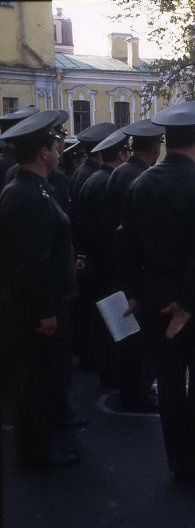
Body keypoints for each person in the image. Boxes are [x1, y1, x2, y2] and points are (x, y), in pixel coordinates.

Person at [116, 101, 195, 479]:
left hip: (154, 295)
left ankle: (177, 461)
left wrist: (134, 293)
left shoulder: (140, 183)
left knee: (168, 381)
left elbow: (127, 244)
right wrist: (185, 305)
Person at [0, 110, 81, 468]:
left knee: (42, 376)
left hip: (41, 301)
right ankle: (36, 450)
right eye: (54, 145)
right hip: (37, 309)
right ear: (42, 153)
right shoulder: (28, 195)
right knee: (36, 379)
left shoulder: (33, 188)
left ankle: (39, 443)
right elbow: (31, 262)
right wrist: (45, 310)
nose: (59, 151)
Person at [106, 119, 164, 412]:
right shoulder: (141, 178)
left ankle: (131, 387)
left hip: (121, 265)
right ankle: (138, 393)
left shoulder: (121, 173)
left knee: (128, 334)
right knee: (139, 337)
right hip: (136, 271)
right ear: (155, 147)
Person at [75, 129, 130, 389]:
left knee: (100, 319)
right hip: (109, 263)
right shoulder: (109, 182)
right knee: (114, 321)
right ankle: (114, 373)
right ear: (120, 154)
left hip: (95, 260)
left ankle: (106, 367)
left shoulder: (92, 178)